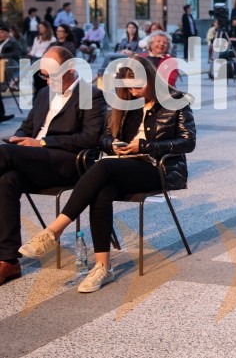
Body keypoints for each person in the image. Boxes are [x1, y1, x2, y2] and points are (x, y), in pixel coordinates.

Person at [18, 56, 196, 292]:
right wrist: (113, 145)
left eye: (137, 86)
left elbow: (188, 142)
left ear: (152, 80)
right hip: (122, 164)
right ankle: (103, 267)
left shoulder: (176, 101)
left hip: (157, 168)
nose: (133, 92)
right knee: (101, 191)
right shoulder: (125, 103)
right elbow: (102, 137)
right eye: (128, 88)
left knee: (102, 168)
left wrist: (145, 147)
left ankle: (54, 231)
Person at [0, 46, 107, 285]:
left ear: (70, 69)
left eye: (51, 75)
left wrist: (42, 143)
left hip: (68, 163)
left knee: (4, 154)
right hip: (34, 161)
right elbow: (26, 128)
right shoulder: (43, 95)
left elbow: (90, 139)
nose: (47, 80)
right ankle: (8, 261)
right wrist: (19, 139)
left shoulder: (92, 95)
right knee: (7, 179)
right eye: (44, 75)